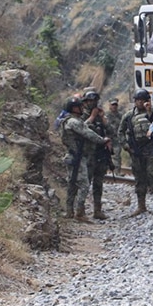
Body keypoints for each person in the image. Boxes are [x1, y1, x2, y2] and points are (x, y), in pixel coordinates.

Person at [61, 95, 111, 222]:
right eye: (80, 106)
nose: (82, 108)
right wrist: (102, 140)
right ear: (74, 109)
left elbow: (83, 126)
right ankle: (79, 212)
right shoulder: (74, 122)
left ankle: (69, 211)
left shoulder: (69, 121)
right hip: (77, 157)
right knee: (84, 184)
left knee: (72, 184)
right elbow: (87, 132)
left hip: (72, 156)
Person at [119, 89, 153, 216]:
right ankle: (141, 205)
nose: (139, 103)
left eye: (142, 100)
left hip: (151, 149)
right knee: (139, 178)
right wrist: (126, 146)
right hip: (136, 150)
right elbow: (120, 132)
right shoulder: (129, 115)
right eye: (137, 100)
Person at [82, 90, 112, 220]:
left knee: (98, 183)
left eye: (94, 101)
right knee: (84, 183)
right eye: (90, 101)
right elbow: (82, 129)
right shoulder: (82, 115)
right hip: (87, 155)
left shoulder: (100, 116)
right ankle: (80, 210)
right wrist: (92, 117)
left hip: (100, 154)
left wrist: (103, 119)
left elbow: (111, 131)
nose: (93, 103)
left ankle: (97, 210)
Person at [104, 98, 124, 174]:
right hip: (107, 139)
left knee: (117, 156)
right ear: (109, 105)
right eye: (112, 105)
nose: (114, 106)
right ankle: (106, 171)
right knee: (106, 156)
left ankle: (117, 172)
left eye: (115, 105)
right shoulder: (105, 115)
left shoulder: (120, 116)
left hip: (116, 139)